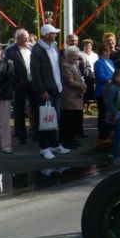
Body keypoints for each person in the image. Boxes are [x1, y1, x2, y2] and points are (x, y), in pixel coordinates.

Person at [30, 23, 70, 160]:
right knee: (44, 119)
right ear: (46, 35)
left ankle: (54, 144)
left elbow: (57, 68)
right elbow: (35, 73)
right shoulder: (37, 50)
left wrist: (60, 85)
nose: (55, 35)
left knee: (54, 119)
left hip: (56, 89)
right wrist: (42, 90)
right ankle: (44, 147)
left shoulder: (54, 47)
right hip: (46, 91)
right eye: (53, 33)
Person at [4, 28, 33, 144]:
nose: (27, 40)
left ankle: (36, 132)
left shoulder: (32, 48)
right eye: (24, 38)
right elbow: (8, 69)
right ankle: (21, 135)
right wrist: (14, 84)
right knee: (19, 111)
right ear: (18, 39)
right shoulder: (10, 51)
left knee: (35, 108)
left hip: (32, 83)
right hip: (19, 85)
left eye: (28, 37)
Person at [59, 46, 86, 150]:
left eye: (77, 56)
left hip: (75, 97)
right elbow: (69, 81)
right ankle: (67, 141)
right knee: (68, 121)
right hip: (69, 98)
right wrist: (82, 86)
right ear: (68, 56)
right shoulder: (65, 66)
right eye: (74, 56)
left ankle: (71, 140)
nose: (76, 58)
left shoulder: (74, 65)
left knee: (73, 120)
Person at [94, 44, 116, 143]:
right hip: (102, 92)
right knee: (103, 114)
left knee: (110, 114)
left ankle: (110, 134)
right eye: (107, 50)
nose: (109, 52)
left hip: (112, 91)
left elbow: (115, 74)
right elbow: (101, 76)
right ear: (103, 52)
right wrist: (112, 78)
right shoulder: (98, 63)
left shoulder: (111, 61)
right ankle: (102, 136)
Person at [106, 68, 120, 166]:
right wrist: (114, 114)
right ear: (116, 77)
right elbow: (109, 102)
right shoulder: (112, 88)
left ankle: (114, 153)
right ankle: (116, 157)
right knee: (118, 136)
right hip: (116, 115)